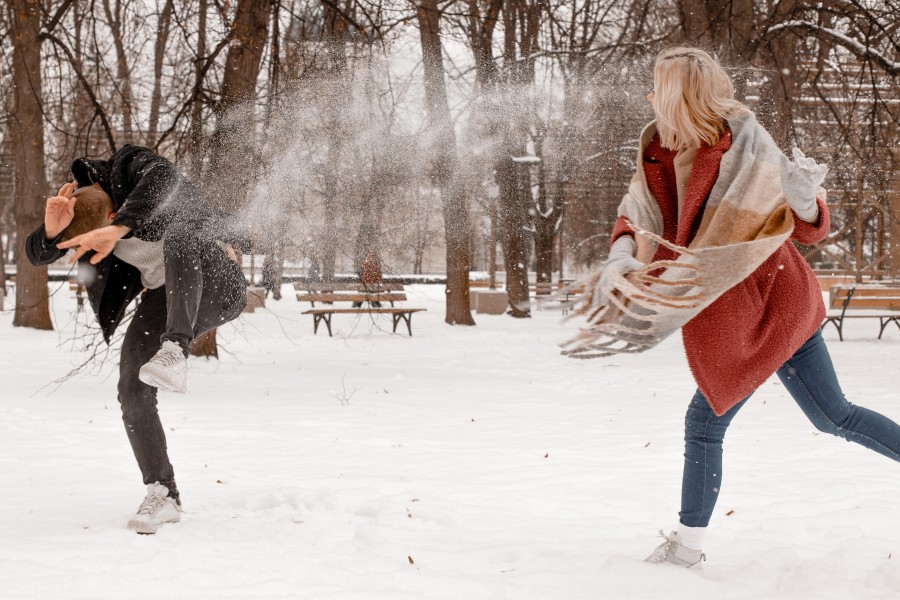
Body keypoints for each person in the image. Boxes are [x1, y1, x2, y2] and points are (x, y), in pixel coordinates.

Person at [582, 48, 900, 567]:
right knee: (831, 416)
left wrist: (802, 201)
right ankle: (687, 547)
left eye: (658, 85)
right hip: (728, 309)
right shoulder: (657, 148)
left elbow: (805, 229)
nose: (649, 93)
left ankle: (686, 550)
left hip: (772, 298)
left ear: (679, 95)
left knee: (715, 424)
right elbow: (636, 214)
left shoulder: (744, 139)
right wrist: (621, 256)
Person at [25, 144, 249, 534]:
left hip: (219, 282)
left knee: (181, 231)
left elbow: (165, 178)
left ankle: (175, 348)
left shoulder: (130, 167)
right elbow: (36, 255)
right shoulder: (79, 205)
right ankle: (163, 493)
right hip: (165, 297)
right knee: (132, 387)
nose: (95, 252)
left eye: (97, 242)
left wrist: (119, 228)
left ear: (111, 215)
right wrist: (50, 230)